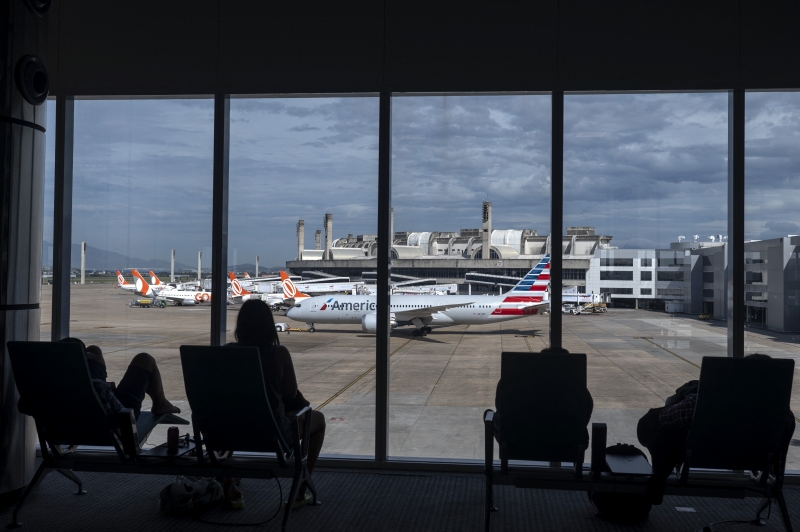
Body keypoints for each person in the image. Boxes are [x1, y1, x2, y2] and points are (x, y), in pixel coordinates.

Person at [638, 353, 796, 503]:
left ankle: (658, 477)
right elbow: (780, 454)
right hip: (749, 459)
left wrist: (675, 401)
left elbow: (665, 419)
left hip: (702, 455)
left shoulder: (702, 403)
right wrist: (778, 481)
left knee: (657, 422)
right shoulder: (784, 415)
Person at [228, 299, 326, 509]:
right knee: (316, 419)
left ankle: (228, 483)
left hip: (228, 432)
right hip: (271, 433)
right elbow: (290, 394)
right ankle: (301, 487)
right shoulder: (277, 353)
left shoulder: (227, 352)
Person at [61, 337, 181, 419]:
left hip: (80, 412)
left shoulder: (48, 386)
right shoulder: (98, 387)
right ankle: (161, 404)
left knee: (94, 350)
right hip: (118, 418)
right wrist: (107, 393)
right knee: (145, 359)